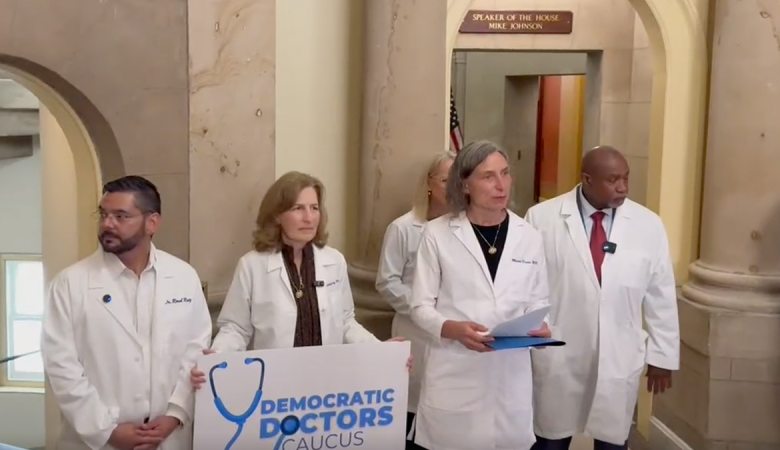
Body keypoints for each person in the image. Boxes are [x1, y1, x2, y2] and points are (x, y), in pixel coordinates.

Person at [41, 176, 213, 450]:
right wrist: (106, 431)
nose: (108, 224)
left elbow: (196, 350)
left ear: (152, 222)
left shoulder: (183, 276)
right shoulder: (69, 284)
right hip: (98, 440)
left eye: (121, 216)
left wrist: (175, 413)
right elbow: (61, 367)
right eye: (103, 214)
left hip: (168, 436)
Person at [190, 172, 409, 386]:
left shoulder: (334, 261)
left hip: (326, 381)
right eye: (298, 208)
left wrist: (381, 349)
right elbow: (236, 329)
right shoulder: (252, 265)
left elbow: (345, 323)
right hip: (274, 384)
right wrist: (215, 357)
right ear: (277, 215)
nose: (309, 218)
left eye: (314, 208)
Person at [525, 146, 679, 450]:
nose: (623, 187)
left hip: (618, 352)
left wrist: (662, 356)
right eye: (612, 180)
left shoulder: (648, 225)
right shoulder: (541, 218)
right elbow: (528, 285)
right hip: (560, 352)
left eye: (625, 178)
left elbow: (660, 293)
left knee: (612, 440)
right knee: (550, 439)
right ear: (587, 179)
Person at [409, 141, 552, 450]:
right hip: (456, 372)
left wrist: (541, 328)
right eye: (488, 176)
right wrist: (452, 329)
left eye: (505, 173)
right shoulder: (438, 234)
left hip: (509, 376)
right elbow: (419, 306)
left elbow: (539, 300)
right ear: (465, 184)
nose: (501, 185)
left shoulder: (529, 236)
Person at [376, 151, 454, 449]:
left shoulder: (463, 227)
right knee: (413, 407)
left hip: (453, 336)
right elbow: (387, 281)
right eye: (445, 180)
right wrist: (424, 309)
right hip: (415, 333)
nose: (452, 187)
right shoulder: (403, 228)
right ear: (430, 183)